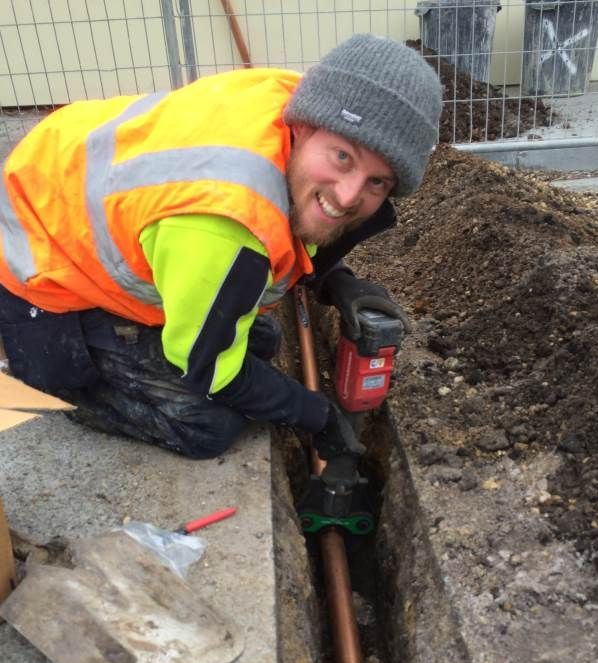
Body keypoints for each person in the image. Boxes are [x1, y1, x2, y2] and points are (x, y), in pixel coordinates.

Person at [0, 34, 441, 460]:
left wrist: (336, 281)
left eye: (377, 182)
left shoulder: (295, 105)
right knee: (210, 425)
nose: (347, 196)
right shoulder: (225, 224)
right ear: (305, 127)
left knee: (261, 338)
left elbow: (303, 224)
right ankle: (58, 384)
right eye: (342, 157)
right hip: (39, 274)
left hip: (77, 206)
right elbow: (209, 368)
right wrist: (316, 416)